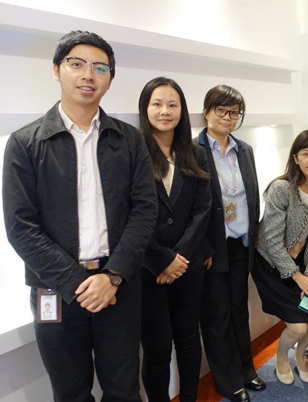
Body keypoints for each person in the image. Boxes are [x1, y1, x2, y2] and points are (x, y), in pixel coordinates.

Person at [3, 31, 158, 402]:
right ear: (57, 70)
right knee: (70, 392)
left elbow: (144, 211)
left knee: (124, 391)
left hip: (118, 286)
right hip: (55, 289)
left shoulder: (129, 139)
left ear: (110, 78)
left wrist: (113, 276)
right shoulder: (25, 143)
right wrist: (76, 284)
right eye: (77, 64)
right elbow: (21, 227)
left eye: (100, 67)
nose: (89, 74)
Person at [138, 77, 212, 402]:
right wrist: (161, 260)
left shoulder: (196, 153)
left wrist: (179, 258)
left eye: (172, 104)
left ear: (182, 110)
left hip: (188, 267)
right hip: (148, 269)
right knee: (156, 348)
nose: (165, 111)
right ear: (145, 108)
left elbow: (203, 209)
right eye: (157, 104)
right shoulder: (132, 153)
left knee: (188, 339)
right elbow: (127, 214)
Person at [196, 85, 264, 402]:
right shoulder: (194, 150)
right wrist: (204, 248)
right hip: (213, 250)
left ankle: (246, 369)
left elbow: (252, 197)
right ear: (206, 112)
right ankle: (228, 381)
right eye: (220, 110)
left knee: (239, 311)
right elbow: (192, 207)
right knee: (217, 317)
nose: (227, 117)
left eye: (234, 112)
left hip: (241, 244)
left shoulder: (244, 150)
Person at [252, 129, 308, 386]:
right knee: (298, 327)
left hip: (301, 263)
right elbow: (272, 241)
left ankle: (300, 356)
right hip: (270, 263)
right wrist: (299, 278)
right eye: (306, 153)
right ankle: (281, 356)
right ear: (296, 158)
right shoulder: (281, 188)